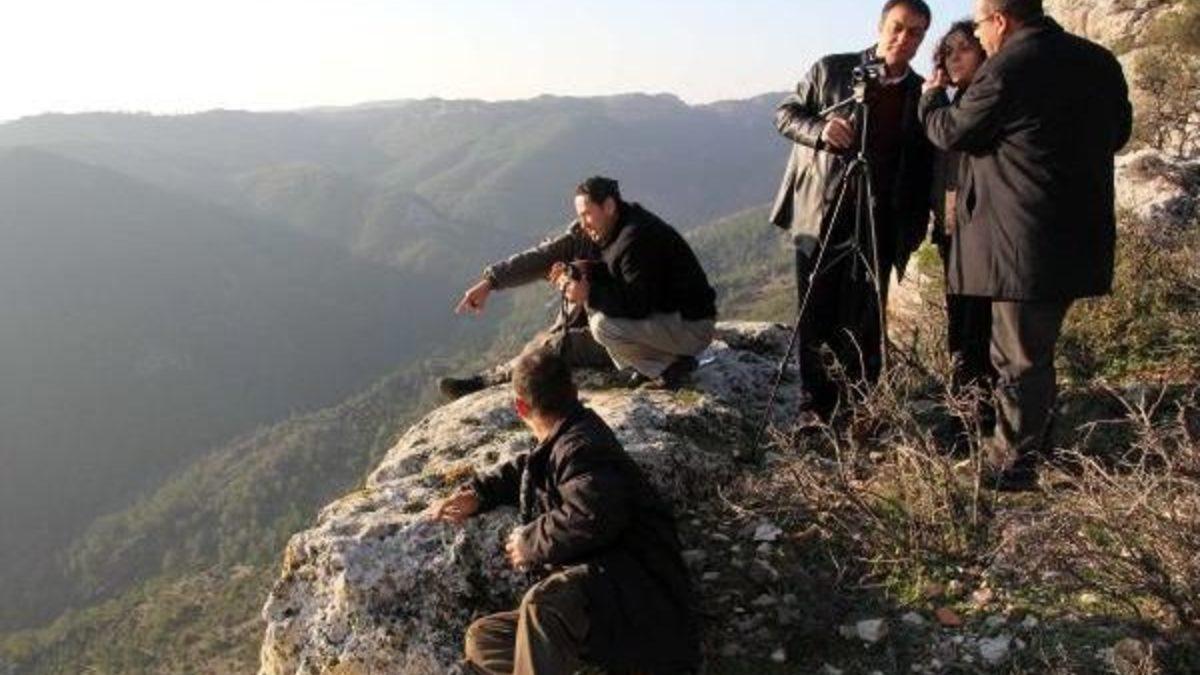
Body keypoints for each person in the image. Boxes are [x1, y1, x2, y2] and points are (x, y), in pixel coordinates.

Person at [921, 0, 1132, 486]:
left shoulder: (1005, 69)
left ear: (999, 20)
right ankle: (1040, 445)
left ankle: (1012, 465)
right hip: (1080, 233)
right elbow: (1119, 134)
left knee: (1017, 357)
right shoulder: (1099, 60)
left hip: (1022, 240)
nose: (979, 36)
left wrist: (930, 99)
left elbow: (952, 131)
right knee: (1036, 350)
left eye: (980, 26)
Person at [428, 348, 701, 674]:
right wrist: (479, 493)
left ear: (520, 407)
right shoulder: (566, 438)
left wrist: (529, 542)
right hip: (606, 601)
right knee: (486, 639)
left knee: (543, 604)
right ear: (573, 391)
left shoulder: (584, 446)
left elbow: (592, 515)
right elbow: (528, 470)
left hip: (641, 604)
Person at [770, 0, 935, 420]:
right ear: (881, 27)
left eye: (916, 32)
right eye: (898, 27)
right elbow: (785, 114)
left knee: (866, 317)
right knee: (816, 311)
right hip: (822, 212)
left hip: (882, 219)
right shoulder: (832, 70)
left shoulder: (920, 93)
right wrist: (820, 129)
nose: (904, 39)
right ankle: (815, 410)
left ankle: (861, 408)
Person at [439, 176, 718, 399]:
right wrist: (491, 281)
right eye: (579, 216)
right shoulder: (598, 230)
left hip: (684, 327)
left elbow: (639, 303)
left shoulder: (636, 239)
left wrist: (588, 292)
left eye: (587, 214)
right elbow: (543, 256)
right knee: (560, 331)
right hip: (650, 325)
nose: (583, 223)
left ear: (609, 206)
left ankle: (668, 366)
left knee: (572, 340)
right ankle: (490, 377)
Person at [928, 20, 996, 396]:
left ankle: (975, 409)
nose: (954, 58)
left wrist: (931, 98)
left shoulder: (981, 99)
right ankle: (965, 407)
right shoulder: (959, 100)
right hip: (953, 230)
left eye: (964, 49)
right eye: (948, 51)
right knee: (961, 324)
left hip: (979, 233)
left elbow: (952, 135)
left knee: (976, 328)